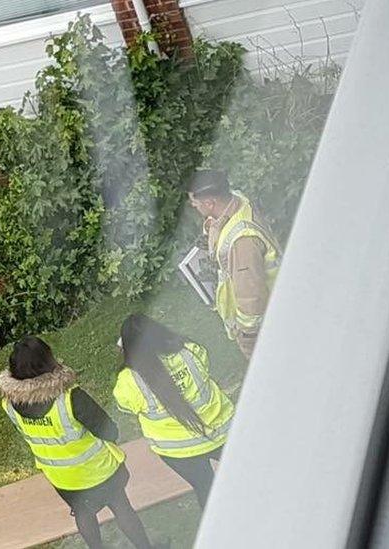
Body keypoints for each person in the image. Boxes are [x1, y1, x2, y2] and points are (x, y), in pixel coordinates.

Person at [0, 336, 158, 549]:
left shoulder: (9, 405)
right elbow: (109, 431)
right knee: (122, 508)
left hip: (61, 479)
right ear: (48, 362)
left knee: (83, 514)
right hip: (99, 473)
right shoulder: (71, 398)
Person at [114, 315, 235, 507]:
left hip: (178, 451)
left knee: (205, 488)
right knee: (245, 472)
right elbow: (206, 366)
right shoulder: (189, 351)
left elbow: (125, 404)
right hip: (222, 432)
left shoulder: (129, 380)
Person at [188, 169, 282, 359]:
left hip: (266, 327)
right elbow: (221, 222)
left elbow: (251, 298)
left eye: (195, 204)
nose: (193, 206)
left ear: (209, 203)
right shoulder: (237, 201)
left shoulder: (242, 243)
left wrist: (248, 336)